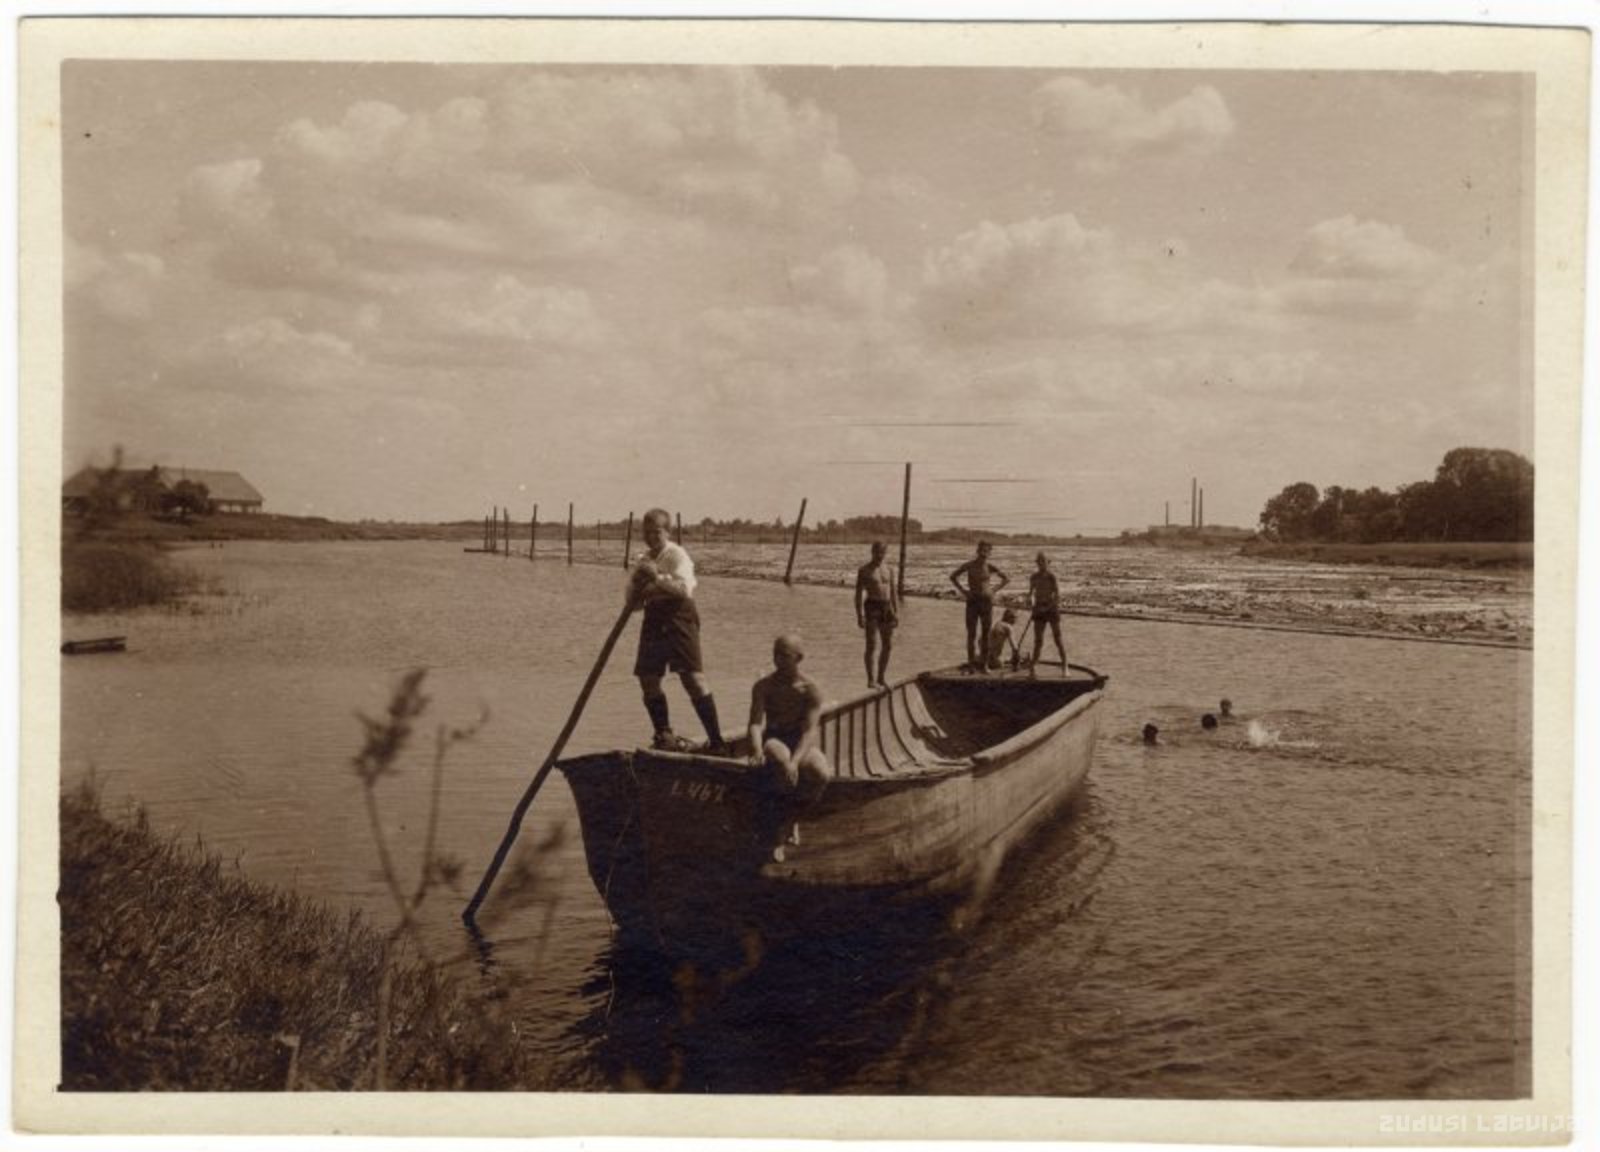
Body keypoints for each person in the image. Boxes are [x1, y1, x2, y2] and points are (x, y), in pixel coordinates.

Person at [628, 507, 725, 753]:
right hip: (654, 617)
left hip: (679, 615)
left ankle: (717, 742)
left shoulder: (677, 555)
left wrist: (657, 580)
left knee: (692, 678)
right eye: (647, 532)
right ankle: (664, 735)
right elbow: (634, 605)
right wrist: (639, 586)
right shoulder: (643, 561)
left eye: (657, 532)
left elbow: (683, 590)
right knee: (648, 678)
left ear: (668, 532)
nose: (651, 537)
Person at [747, 634, 831, 800]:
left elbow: (809, 731)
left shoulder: (810, 689)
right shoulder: (763, 686)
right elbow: (755, 723)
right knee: (781, 760)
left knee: (822, 773)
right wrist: (756, 750)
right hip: (774, 738)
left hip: (800, 741)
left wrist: (795, 762)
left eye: (784, 656)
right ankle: (780, 802)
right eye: (775, 654)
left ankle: (804, 806)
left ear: (799, 658)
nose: (778, 660)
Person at [949, 541, 1008, 670]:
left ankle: (984, 665)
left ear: (989, 553)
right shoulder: (969, 565)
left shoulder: (990, 567)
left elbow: (1006, 579)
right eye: (982, 550)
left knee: (986, 634)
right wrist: (964, 591)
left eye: (986, 551)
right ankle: (971, 664)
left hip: (986, 602)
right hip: (972, 602)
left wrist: (993, 590)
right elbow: (953, 577)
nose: (984, 553)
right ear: (977, 551)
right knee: (971, 634)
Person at [854, 541, 899, 689]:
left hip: (886, 607)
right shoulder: (864, 570)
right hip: (872, 606)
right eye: (877, 552)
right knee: (871, 644)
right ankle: (871, 679)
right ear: (872, 552)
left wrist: (896, 612)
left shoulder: (889, 569)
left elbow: (893, 593)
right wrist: (859, 615)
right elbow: (858, 594)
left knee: (888, 645)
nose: (880, 555)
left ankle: (881, 677)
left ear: (885, 553)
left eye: (882, 552)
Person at [1027, 552, 1067, 676]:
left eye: (1044, 562)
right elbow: (1031, 593)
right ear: (1037, 563)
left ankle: (1065, 666)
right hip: (1038, 608)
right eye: (1039, 562)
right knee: (1038, 640)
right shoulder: (1033, 577)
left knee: (1057, 639)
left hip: (1051, 608)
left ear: (1048, 563)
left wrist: (1048, 607)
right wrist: (1031, 603)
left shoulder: (1052, 576)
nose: (1041, 564)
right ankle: (1033, 666)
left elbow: (1057, 595)